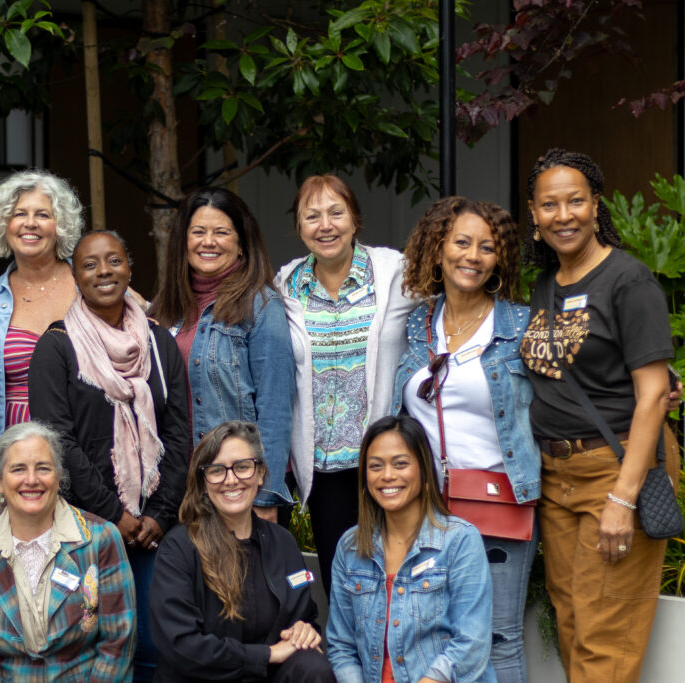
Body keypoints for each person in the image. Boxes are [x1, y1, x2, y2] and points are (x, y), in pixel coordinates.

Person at [519, 149, 679, 683]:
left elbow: (653, 394)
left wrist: (621, 499)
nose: (563, 215)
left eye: (575, 201)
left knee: (604, 636)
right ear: (533, 215)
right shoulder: (547, 283)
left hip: (612, 469)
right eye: (549, 204)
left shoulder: (628, 282)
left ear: (595, 206)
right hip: (556, 477)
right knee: (572, 622)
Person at [29, 230, 190, 681]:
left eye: (113, 261)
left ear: (130, 268)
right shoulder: (56, 347)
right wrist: (112, 514)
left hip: (156, 528)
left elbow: (178, 432)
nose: (103, 272)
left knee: (155, 647)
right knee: (93, 644)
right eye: (90, 264)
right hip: (84, 528)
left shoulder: (159, 343)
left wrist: (158, 514)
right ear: (74, 276)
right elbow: (57, 442)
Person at [392, 196, 539, 682]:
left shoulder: (518, 324)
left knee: (497, 638)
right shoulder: (417, 323)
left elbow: (573, 382)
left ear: (500, 260)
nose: (472, 256)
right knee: (432, 633)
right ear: (438, 249)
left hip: (498, 501)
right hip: (425, 506)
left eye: (487, 247)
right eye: (461, 242)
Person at [274, 174, 412, 594]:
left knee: (396, 581)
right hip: (325, 469)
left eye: (336, 212)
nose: (325, 225)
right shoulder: (285, 286)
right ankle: (351, 662)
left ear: (355, 219)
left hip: (387, 462)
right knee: (344, 588)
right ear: (299, 228)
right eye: (311, 216)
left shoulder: (396, 274)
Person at [149, 187, 295, 522]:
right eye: (198, 232)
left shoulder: (260, 306)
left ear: (242, 243)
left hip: (238, 488)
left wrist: (266, 496)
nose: (208, 241)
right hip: (177, 489)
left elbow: (275, 408)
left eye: (221, 232)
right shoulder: (165, 309)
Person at [149, 421, 335, 683]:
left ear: (260, 474)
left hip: (267, 676)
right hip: (199, 678)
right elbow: (181, 645)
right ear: (203, 482)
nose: (231, 479)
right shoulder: (179, 548)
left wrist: (305, 631)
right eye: (217, 470)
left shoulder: (283, 543)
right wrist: (266, 654)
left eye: (243, 467)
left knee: (313, 667)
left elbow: (305, 618)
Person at [0, 422, 137, 681]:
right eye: (18, 469)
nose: (31, 480)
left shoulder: (100, 539)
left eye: (43, 468)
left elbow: (118, 642)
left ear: (59, 476)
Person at [327, 415, 495, 683]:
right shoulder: (350, 547)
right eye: (375, 466)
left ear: (424, 470)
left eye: (400, 463)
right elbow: (341, 647)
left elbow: (471, 644)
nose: (387, 475)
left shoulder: (460, 540)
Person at [0, 169, 83, 437]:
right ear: (4, 225)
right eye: (19, 214)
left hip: (87, 434)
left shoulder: (89, 283)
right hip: (17, 445)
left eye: (43, 215)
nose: (30, 223)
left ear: (60, 225)